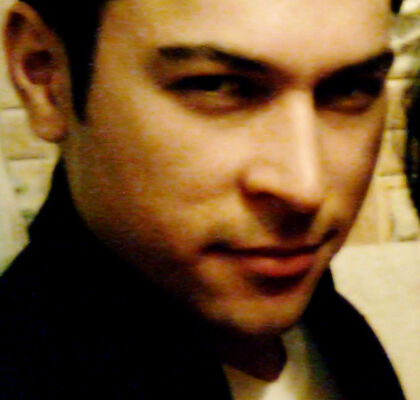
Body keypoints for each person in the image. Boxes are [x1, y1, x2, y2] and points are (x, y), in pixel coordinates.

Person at [0, 0, 406, 399]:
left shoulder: (335, 337)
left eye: (352, 88)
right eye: (216, 86)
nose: (305, 187)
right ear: (45, 77)